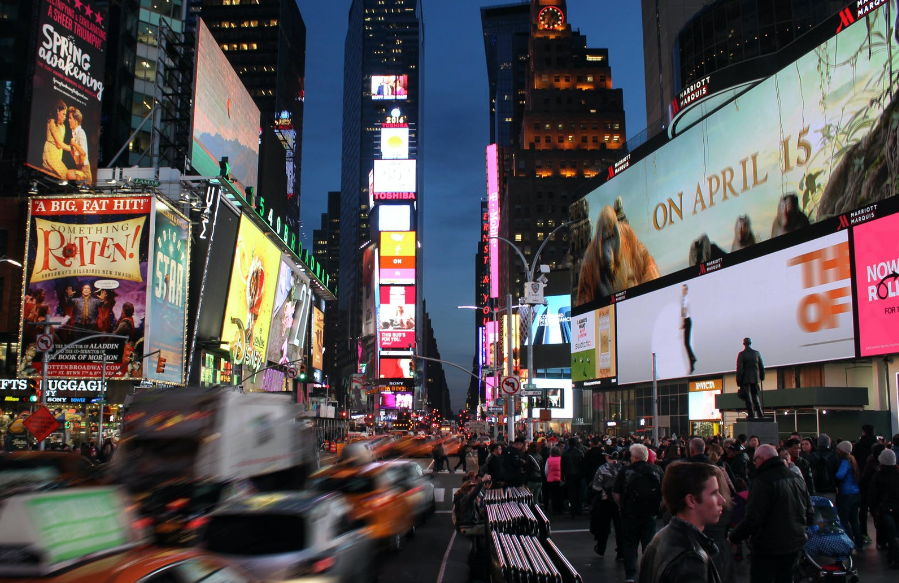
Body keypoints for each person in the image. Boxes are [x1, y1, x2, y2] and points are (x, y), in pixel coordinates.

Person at [728, 444, 810, 583]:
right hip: (794, 542)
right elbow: (808, 509)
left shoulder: (762, 481)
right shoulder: (796, 478)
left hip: (768, 546)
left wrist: (734, 537)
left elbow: (753, 518)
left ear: (761, 459)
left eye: (755, 460)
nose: (754, 464)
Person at [637, 462, 725, 583]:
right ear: (691, 500)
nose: (722, 500)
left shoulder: (661, 537)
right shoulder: (690, 558)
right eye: (714, 493)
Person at [613, 443, 665, 583]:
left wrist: (622, 507)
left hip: (630, 513)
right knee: (648, 544)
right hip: (650, 514)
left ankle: (630, 575)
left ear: (634, 457)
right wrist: (657, 508)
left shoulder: (625, 471)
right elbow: (664, 493)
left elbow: (616, 493)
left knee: (629, 544)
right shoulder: (657, 470)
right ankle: (648, 573)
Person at [868, 448, 899, 568]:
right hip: (897, 507)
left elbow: (873, 494)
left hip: (885, 508)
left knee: (891, 535)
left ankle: (893, 557)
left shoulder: (878, 475)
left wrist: (873, 508)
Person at [590, 450, 622, 559]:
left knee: (603, 526)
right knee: (620, 527)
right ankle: (621, 551)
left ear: (607, 457)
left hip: (605, 501)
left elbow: (596, 486)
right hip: (619, 502)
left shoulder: (602, 469)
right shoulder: (622, 468)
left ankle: (601, 548)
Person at [834, 440, 863, 547]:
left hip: (846, 494)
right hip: (856, 493)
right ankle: (859, 542)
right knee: (854, 520)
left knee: (844, 520)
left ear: (841, 451)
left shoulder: (844, 462)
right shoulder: (853, 460)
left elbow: (840, 475)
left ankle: (850, 542)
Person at [736, 337, 765, 418]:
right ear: (750, 343)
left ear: (744, 344)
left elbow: (739, 368)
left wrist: (739, 380)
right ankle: (760, 414)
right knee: (755, 396)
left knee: (748, 397)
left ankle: (751, 414)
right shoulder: (757, 353)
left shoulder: (742, 354)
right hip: (755, 378)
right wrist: (762, 376)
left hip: (746, 379)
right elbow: (761, 367)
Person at [42, 100, 70, 179]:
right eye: (63, 114)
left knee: (66, 176)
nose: (65, 117)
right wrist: (72, 148)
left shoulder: (63, 126)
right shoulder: (52, 122)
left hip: (57, 156)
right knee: (66, 175)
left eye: (65, 115)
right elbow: (59, 143)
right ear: (57, 111)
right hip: (50, 154)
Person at [808, 434, 839, 502]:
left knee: (816, 511)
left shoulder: (811, 456)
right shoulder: (833, 456)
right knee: (830, 511)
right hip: (830, 489)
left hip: (815, 488)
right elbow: (836, 472)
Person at [562, 437, 586, 517]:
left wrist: (562, 477)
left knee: (571, 493)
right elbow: (583, 465)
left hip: (569, 475)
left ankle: (573, 510)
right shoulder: (580, 453)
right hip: (578, 475)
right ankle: (578, 509)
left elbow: (562, 466)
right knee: (578, 492)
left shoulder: (565, 453)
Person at [66, 106, 91, 183]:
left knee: (69, 174)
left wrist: (74, 144)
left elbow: (83, 153)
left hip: (85, 172)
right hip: (79, 169)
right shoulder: (74, 134)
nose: (68, 120)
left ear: (75, 121)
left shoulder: (81, 133)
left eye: (70, 118)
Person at [680, 284, 697, 374]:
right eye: (682, 290)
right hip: (686, 321)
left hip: (687, 321)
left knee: (686, 343)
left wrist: (683, 322)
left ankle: (692, 361)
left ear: (686, 291)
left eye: (684, 290)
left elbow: (685, 312)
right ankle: (692, 359)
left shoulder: (686, 300)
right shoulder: (684, 300)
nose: (683, 291)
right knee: (686, 343)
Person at [544, 446, 563, 515]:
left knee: (553, 495)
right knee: (560, 495)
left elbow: (546, 471)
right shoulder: (561, 459)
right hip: (560, 479)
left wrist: (548, 477)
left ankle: (554, 509)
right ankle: (560, 509)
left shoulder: (548, 460)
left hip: (551, 480)